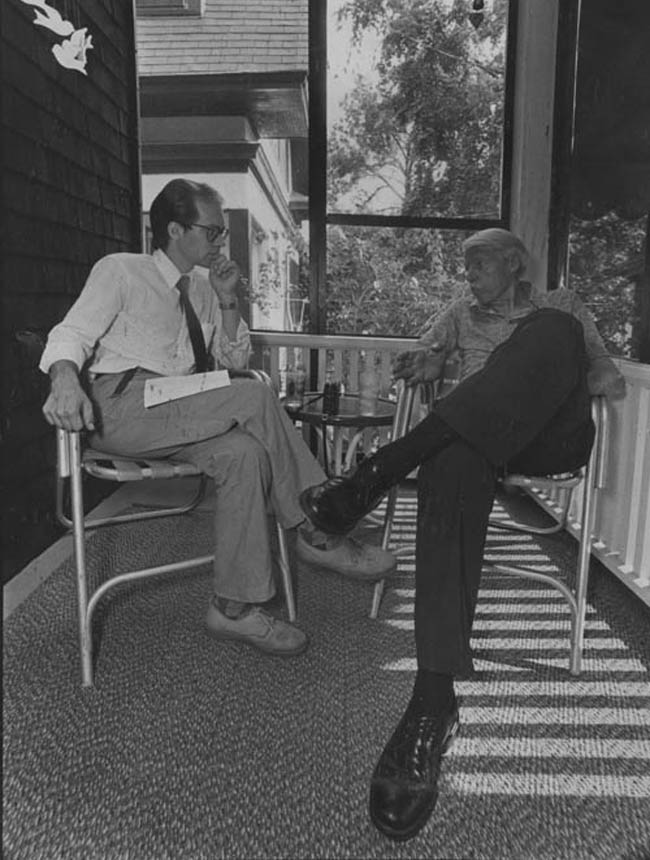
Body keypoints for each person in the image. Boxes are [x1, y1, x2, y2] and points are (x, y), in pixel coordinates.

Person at [299, 228, 626, 841]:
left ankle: (375, 474)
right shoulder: (457, 312)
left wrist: (532, 368)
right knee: (451, 457)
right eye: (465, 265)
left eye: (480, 263)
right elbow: (426, 352)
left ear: (515, 264)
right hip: (470, 441)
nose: (469, 275)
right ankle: (432, 701)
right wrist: (431, 361)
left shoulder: (561, 304)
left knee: (551, 331)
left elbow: (609, 380)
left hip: (547, 438)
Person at [40, 178, 396, 658]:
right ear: (174, 229)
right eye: (212, 232)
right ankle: (318, 528)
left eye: (221, 233)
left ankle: (232, 607)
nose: (220, 242)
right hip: (119, 407)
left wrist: (228, 299)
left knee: (243, 453)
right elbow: (71, 332)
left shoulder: (206, 288)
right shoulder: (122, 270)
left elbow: (233, 360)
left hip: (181, 411)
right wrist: (64, 378)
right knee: (252, 395)